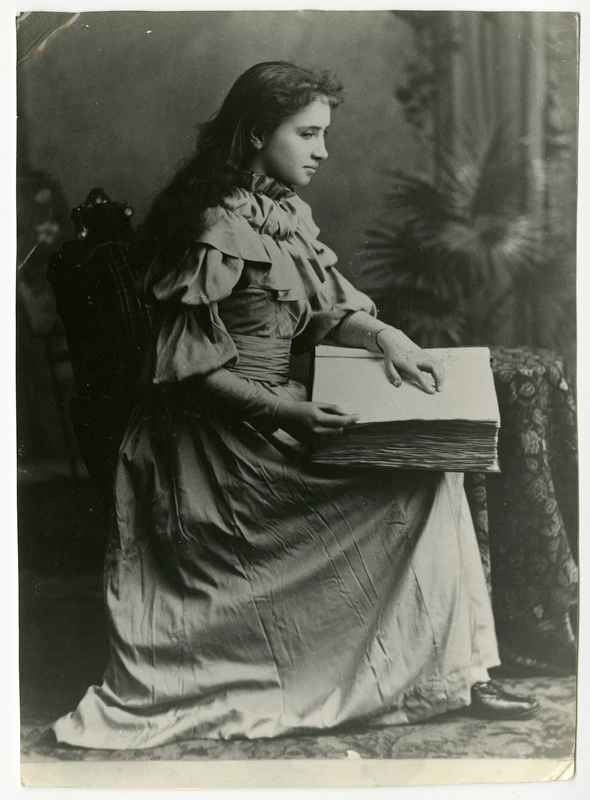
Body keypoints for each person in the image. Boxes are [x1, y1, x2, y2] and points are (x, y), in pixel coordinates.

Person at [53, 61, 538, 750]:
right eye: (308, 133)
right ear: (256, 132)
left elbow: (325, 312)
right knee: (421, 477)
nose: (323, 150)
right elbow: (188, 375)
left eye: (324, 134)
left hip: (273, 415)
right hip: (213, 442)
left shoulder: (281, 212)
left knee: (435, 461)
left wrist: (387, 337)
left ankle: (453, 670)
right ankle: (432, 673)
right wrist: (290, 416)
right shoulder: (211, 223)